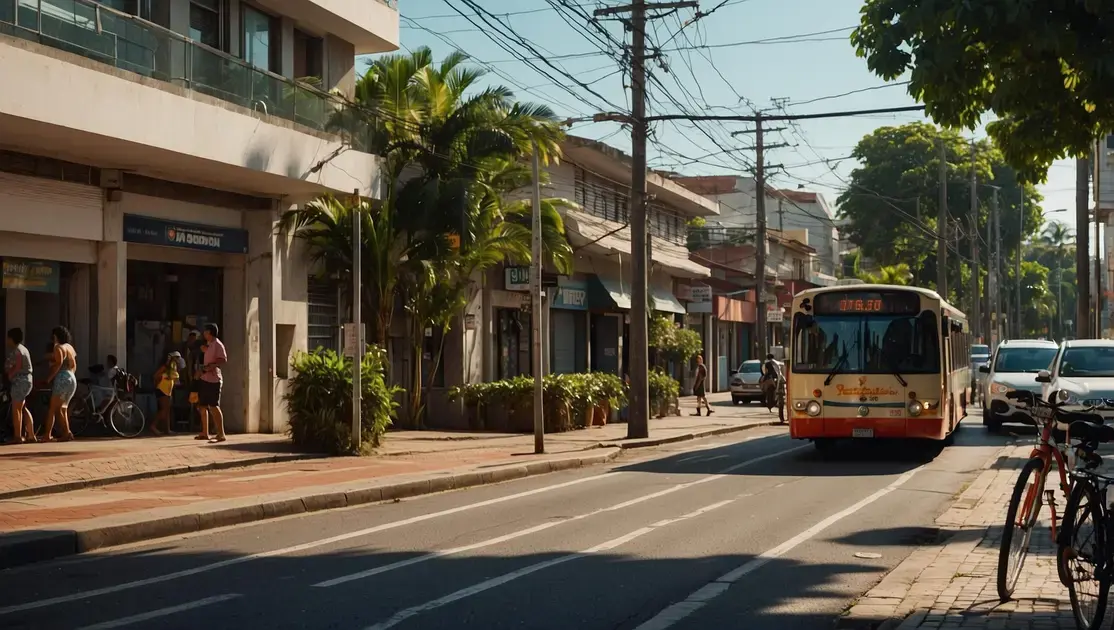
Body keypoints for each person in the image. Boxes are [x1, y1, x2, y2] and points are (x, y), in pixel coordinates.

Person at [42, 326, 77, 442]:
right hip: (72, 377)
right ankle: (67, 433)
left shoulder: (58, 347)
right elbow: (74, 365)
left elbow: (58, 363)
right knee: (63, 408)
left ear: (55, 336)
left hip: (62, 377)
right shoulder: (70, 347)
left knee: (53, 408)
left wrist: (49, 378)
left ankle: (48, 435)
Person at [196, 324, 227, 442]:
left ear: (210, 332)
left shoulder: (218, 344)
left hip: (214, 379)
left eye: (205, 332)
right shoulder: (208, 344)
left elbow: (223, 359)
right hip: (205, 378)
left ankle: (221, 434)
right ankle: (205, 432)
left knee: (214, 406)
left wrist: (211, 366)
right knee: (202, 406)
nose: (204, 334)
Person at [4, 328, 34, 444]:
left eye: (8, 338)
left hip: (20, 382)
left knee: (16, 409)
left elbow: (17, 366)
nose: (7, 340)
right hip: (27, 381)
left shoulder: (17, 350)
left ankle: (17, 436)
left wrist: (10, 374)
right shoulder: (24, 349)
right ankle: (31, 435)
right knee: (23, 408)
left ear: (12, 338)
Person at [152, 351, 182, 436]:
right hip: (162, 389)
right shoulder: (165, 367)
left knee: (167, 410)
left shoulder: (174, 368)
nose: (178, 360)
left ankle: (167, 429)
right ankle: (153, 426)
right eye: (176, 358)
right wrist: (162, 378)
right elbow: (155, 376)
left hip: (168, 391)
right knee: (164, 410)